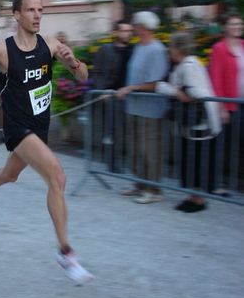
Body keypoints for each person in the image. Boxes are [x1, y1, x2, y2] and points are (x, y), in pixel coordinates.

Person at [0, 0, 94, 285]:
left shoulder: (51, 45)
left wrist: (73, 62)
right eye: (31, 10)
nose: (37, 16)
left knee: (10, 175)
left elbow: (83, 77)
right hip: (18, 126)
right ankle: (65, 252)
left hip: (40, 126)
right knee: (57, 177)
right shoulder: (2, 50)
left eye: (40, 10)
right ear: (17, 15)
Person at [156, 32, 222, 212]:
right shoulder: (183, 65)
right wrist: (176, 91)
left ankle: (198, 199)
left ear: (178, 49)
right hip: (192, 124)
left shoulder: (190, 65)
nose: (170, 51)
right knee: (190, 159)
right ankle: (193, 197)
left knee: (195, 159)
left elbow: (198, 92)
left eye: (172, 47)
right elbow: (165, 87)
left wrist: (181, 92)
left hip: (199, 124)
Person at [116, 11, 169, 204]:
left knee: (150, 150)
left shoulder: (157, 49)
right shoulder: (139, 47)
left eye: (135, 25)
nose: (133, 28)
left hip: (150, 110)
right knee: (135, 148)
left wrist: (132, 88)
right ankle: (138, 183)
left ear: (144, 27)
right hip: (133, 107)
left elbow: (156, 82)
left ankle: (153, 190)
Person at [92, 20, 134, 173]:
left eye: (129, 31)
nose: (127, 34)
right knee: (112, 131)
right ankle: (112, 163)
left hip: (129, 97)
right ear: (116, 32)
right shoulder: (106, 49)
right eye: (123, 31)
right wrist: (101, 91)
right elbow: (96, 72)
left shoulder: (133, 50)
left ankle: (125, 162)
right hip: (110, 96)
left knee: (124, 131)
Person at [208, 13, 244, 191]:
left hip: (242, 102)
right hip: (229, 104)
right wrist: (221, 106)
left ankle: (239, 182)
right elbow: (216, 79)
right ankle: (217, 183)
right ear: (225, 27)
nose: (237, 27)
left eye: (240, 24)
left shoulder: (243, 46)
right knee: (225, 144)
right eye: (233, 24)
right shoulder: (219, 48)